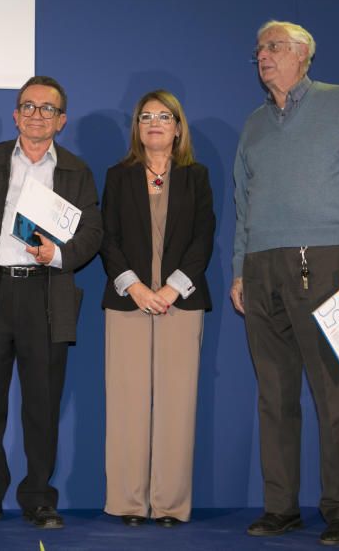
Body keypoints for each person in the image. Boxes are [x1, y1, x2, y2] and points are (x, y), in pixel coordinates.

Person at [231, 20, 339, 546]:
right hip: (261, 268)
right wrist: (238, 270)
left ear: (302, 55)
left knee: (338, 393)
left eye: (273, 47)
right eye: (259, 50)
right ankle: (281, 508)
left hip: (326, 265)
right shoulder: (252, 125)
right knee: (274, 396)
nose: (263, 57)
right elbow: (242, 206)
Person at [0, 75, 102, 529]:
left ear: (62, 120)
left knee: (43, 403)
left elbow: (93, 232)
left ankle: (38, 497)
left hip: (46, 293)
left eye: (47, 109)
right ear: (15, 115)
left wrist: (61, 254)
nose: (37, 115)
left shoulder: (76, 170)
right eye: (28, 107)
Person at [99, 90, 214, 528]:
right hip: (127, 303)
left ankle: (169, 505)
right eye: (145, 116)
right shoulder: (118, 176)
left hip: (181, 304)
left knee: (176, 405)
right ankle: (129, 503)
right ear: (137, 127)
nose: (154, 123)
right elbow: (106, 238)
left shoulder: (196, 176)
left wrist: (170, 290)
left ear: (178, 126)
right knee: (126, 403)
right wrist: (135, 288)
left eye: (163, 116)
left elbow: (204, 237)